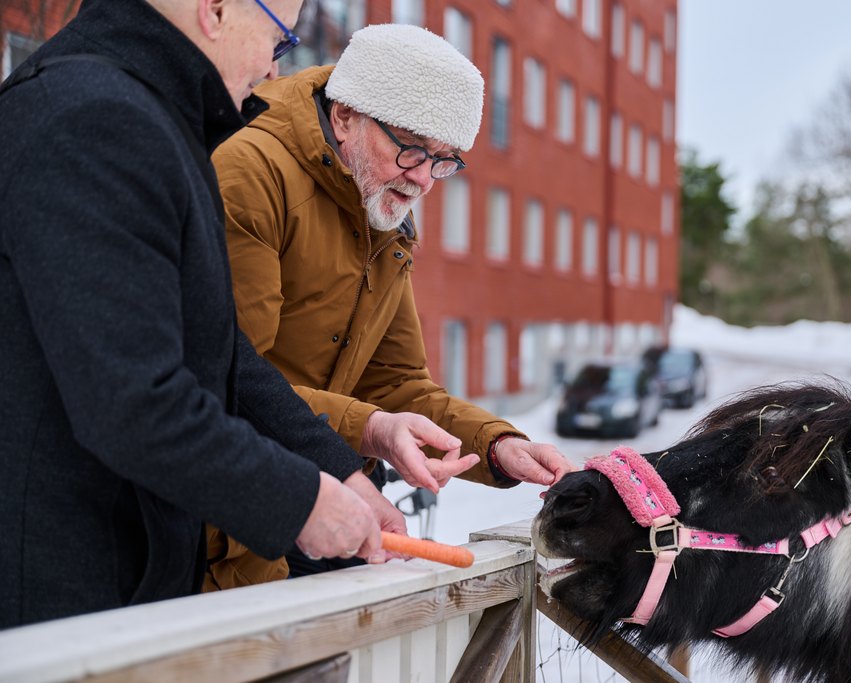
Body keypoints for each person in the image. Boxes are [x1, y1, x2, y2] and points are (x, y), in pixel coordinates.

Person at [0, 0, 405, 629]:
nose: (274, 75)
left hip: (115, 600)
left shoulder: (144, 116)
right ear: (215, 10)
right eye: (278, 44)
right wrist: (296, 502)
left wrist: (336, 468)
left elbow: (214, 352)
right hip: (58, 614)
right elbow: (133, 401)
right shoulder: (95, 118)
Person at [206, 23, 576, 588]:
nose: (424, 178)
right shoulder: (251, 176)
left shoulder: (380, 201)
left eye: (445, 160)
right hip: (237, 513)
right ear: (346, 116)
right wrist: (372, 429)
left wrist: (498, 446)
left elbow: (396, 382)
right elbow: (227, 376)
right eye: (410, 147)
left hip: (339, 500)